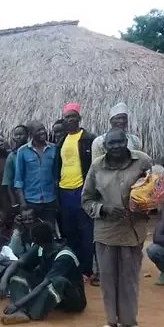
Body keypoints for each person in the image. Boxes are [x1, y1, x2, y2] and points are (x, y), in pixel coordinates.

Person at [82, 128, 152, 327]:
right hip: (106, 231)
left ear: (126, 142)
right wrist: (103, 209)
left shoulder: (142, 161)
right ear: (105, 146)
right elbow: (86, 199)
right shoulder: (97, 166)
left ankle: (130, 323)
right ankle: (111, 321)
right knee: (108, 277)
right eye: (111, 144)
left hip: (133, 230)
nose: (116, 147)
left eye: (120, 142)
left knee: (129, 277)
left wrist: (148, 204)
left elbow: (159, 187)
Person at [0, 222, 86, 325]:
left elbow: (44, 284)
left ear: (35, 240)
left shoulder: (64, 256)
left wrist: (17, 304)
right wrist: (3, 280)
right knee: (18, 273)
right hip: (50, 291)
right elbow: (17, 263)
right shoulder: (40, 247)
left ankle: (31, 312)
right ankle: (22, 312)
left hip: (72, 300)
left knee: (58, 281)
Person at [55, 103, 96, 277]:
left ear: (79, 118)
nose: (70, 120)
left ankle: (86, 269)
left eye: (73, 116)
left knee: (86, 231)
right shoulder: (61, 141)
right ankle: (73, 267)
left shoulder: (89, 138)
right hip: (65, 192)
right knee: (69, 232)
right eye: (66, 117)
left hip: (82, 190)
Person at [14, 121, 58, 226]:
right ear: (31, 133)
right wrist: (23, 203)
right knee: (32, 232)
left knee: (49, 231)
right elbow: (18, 179)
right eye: (38, 130)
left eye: (43, 129)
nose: (42, 132)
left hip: (49, 200)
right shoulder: (23, 151)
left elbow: (56, 175)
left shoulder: (54, 149)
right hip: (30, 200)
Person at [2, 124, 29, 212]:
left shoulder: (33, 152)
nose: (18, 137)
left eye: (21, 134)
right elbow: (8, 182)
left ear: (27, 135)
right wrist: (14, 203)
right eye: (16, 135)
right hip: (20, 196)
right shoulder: (12, 156)